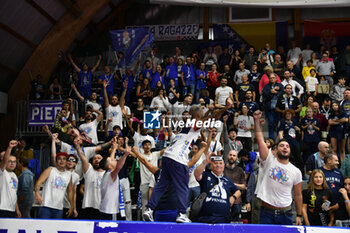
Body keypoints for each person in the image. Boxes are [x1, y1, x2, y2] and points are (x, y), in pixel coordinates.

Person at [143, 99, 234, 223]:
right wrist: (225, 108)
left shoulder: (188, 124)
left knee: (161, 185)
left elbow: (207, 117)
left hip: (167, 157)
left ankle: (149, 209)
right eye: (202, 111)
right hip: (177, 159)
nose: (204, 111)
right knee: (182, 186)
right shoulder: (195, 123)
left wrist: (210, 112)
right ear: (198, 115)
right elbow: (212, 119)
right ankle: (181, 214)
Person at [253, 110, 302, 225]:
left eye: (287, 146)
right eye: (281, 145)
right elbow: (260, 139)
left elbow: (298, 194)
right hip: (266, 212)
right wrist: (256, 121)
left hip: (286, 213)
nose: (285, 148)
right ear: (276, 149)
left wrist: (299, 215)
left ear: (290, 150)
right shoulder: (269, 159)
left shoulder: (296, 171)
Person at [194, 155, 241, 223]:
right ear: (211, 165)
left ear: (224, 165)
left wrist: (233, 198)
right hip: (206, 218)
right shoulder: (206, 175)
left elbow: (238, 191)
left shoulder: (227, 180)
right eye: (215, 163)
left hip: (224, 219)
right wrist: (206, 161)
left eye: (220, 163)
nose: (218, 165)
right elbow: (196, 174)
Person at [34, 151, 73, 219]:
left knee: (55, 228)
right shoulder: (50, 170)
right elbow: (38, 182)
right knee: (43, 227)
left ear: (67, 162)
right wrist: (37, 193)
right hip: (46, 205)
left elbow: (70, 191)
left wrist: (72, 206)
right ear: (56, 161)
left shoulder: (69, 175)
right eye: (59, 159)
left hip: (59, 208)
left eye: (64, 159)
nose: (62, 161)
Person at [98, 141, 130, 220]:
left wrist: (114, 149)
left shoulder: (107, 173)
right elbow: (118, 167)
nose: (114, 159)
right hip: (110, 210)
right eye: (112, 160)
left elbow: (111, 159)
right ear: (109, 166)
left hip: (105, 208)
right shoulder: (111, 175)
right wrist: (125, 154)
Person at [74, 140, 105, 219]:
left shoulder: (107, 173)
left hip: (102, 207)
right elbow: (83, 158)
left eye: (99, 158)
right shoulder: (89, 170)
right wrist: (78, 147)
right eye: (95, 158)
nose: (97, 160)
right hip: (87, 207)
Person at [0, 140, 21, 218]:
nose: (12, 163)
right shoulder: (2, 172)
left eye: (14, 162)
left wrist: (17, 209)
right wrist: (10, 147)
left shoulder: (14, 176)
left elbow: (14, 194)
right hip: (2, 208)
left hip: (12, 209)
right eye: (10, 161)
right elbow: (4, 161)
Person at [224, 150, 246, 222]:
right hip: (223, 198)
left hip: (236, 200)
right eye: (230, 155)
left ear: (237, 158)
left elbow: (243, 186)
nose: (231, 157)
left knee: (235, 223)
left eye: (234, 156)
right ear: (227, 156)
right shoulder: (222, 168)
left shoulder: (240, 170)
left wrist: (232, 184)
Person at [262, 73, 284, 139]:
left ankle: (278, 137)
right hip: (269, 108)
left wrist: (276, 93)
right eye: (271, 78)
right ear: (269, 79)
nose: (272, 79)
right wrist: (271, 91)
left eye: (273, 78)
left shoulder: (280, 85)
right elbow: (264, 93)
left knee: (278, 123)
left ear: (276, 78)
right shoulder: (266, 86)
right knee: (271, 123)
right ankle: (271, 138)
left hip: (278, 108)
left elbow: (283, 93)